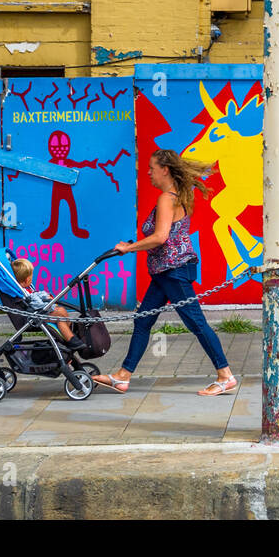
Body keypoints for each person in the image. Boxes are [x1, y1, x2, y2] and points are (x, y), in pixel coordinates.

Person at [92, 149, 238, 396]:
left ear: (165, 169)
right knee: (143, 320)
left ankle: (225, 376)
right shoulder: (178, 195)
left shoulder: (167, 198)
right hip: (164, 272)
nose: (147, 172)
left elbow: (160, 237)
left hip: (174, 271)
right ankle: (123, 377)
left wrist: (128, 248)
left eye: (151, 167)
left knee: (196, 322)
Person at [11, 257, 84, 350]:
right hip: (35, 316)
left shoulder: (27, 288)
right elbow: (36, 304)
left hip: (39, 312)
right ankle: (71, 341)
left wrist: (46, 297)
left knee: (61, 310)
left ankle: (68, 333)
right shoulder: (24, 293)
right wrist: (50, 304)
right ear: (26, 280)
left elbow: (37, 295)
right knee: (59, 317)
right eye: (31, 276)